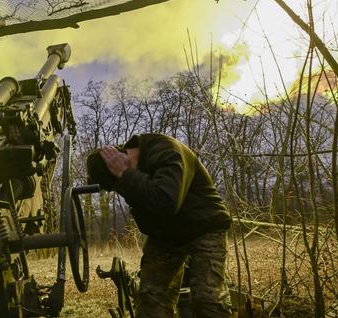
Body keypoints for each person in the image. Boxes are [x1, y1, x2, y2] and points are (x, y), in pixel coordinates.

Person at [87, 133, 233, 318]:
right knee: (151, 298)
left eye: (118, 186)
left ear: (123, 161)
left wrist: (126, 175)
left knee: (208, 298)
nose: (121, 190)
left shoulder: (167, 151)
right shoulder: (133, 175)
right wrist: (128, 181)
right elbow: (148, 224)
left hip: (205, 227)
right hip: (167, 234)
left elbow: (167, 202)